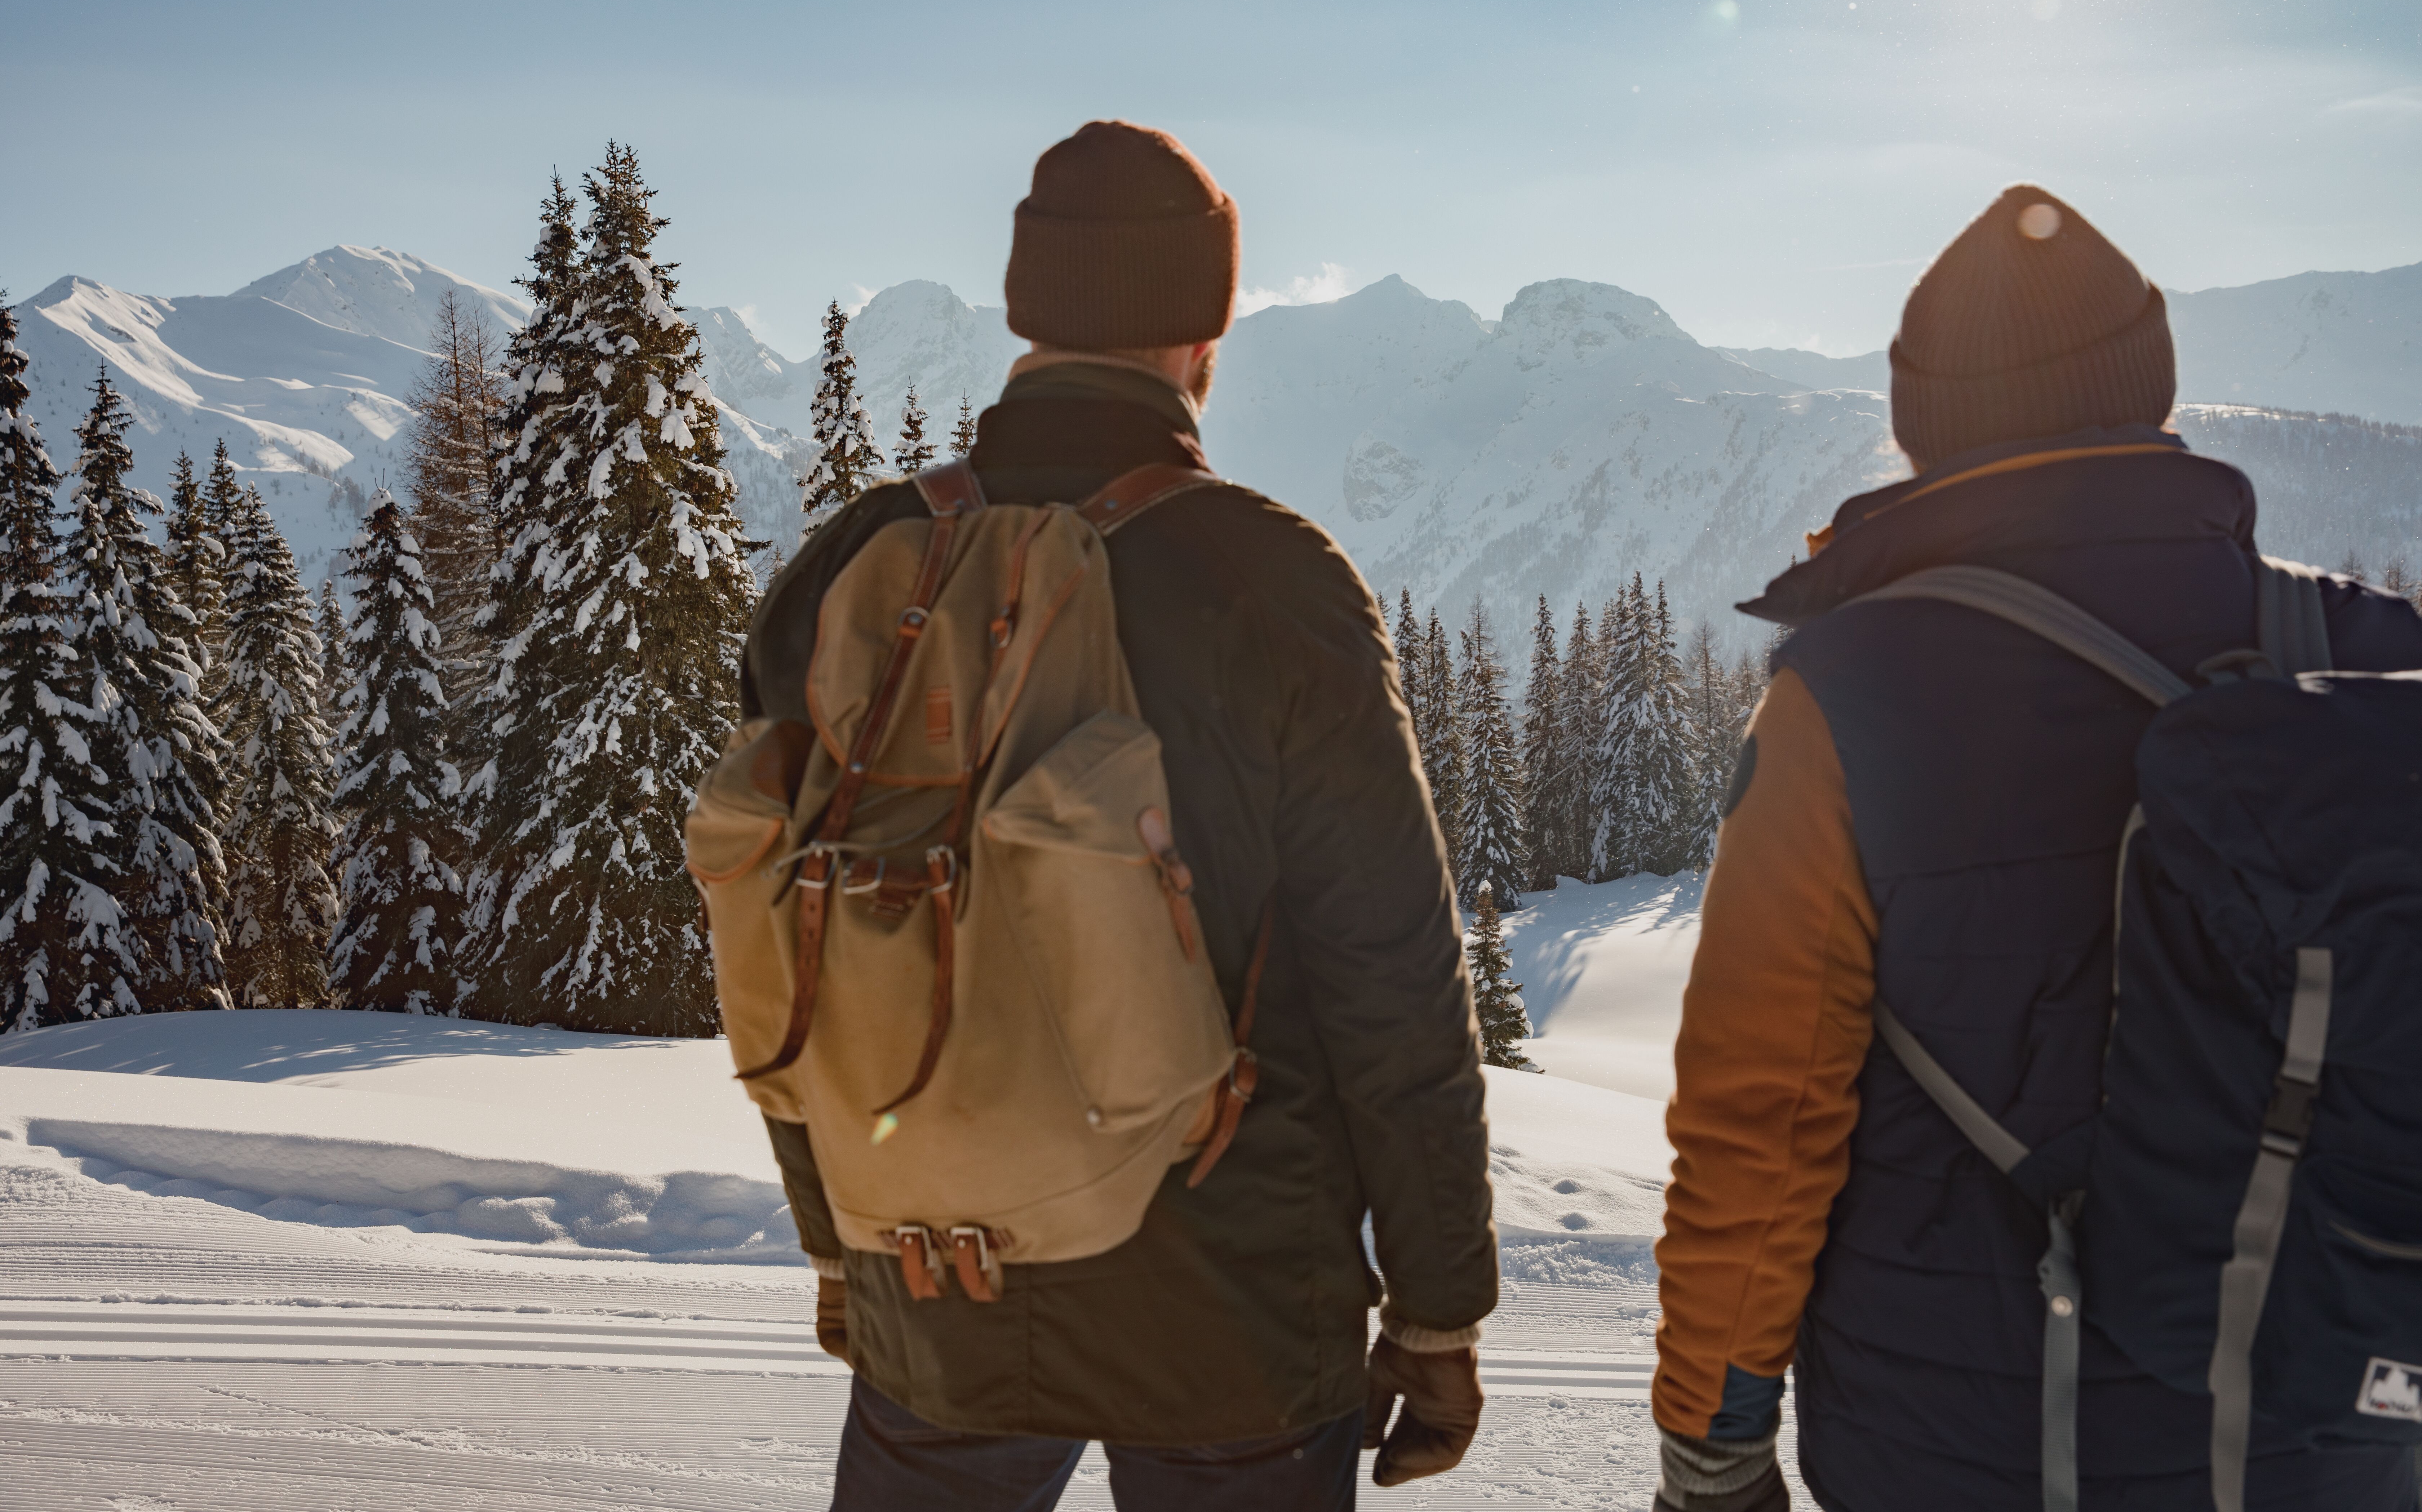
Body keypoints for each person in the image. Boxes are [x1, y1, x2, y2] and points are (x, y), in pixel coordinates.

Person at [739, 120, 1496, 1511]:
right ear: (1204, 341)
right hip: (1232, 1315)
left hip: (936, 1270)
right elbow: (1394, 975)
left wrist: (845, 1238)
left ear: (1029, 316)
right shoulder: (1274, 583)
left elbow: (788, 941)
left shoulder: (854, 568)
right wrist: (1440, 1311)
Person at [1649, 185, 2422, 1511]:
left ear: (1921, 428)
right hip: (2326, 1422)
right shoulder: (2375, 655)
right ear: (2154, 394)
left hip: (1968, 1436)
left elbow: (1764, 1116)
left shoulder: (1850, 691)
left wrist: (1713, 1451)